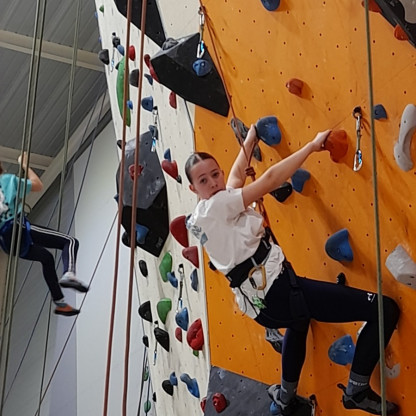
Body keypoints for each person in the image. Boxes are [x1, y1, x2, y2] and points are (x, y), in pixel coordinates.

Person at [185, 125, 400, 415]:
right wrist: (311, 146)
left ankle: (286, 397)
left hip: (262, 303)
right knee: (384, 310)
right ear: (193, 188)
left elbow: (235, 178)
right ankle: (357, 390)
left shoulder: (201, 215)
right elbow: (270, 179)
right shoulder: (218, 206)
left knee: (299, 323)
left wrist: (250, 139)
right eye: (203, 180)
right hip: (280, 292)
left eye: (215, 174)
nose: (213, 182)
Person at [0, 153, 88, 317]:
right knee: (69, 241)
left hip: (7, 242)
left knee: (46, 258)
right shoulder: (7, 181)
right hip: (17, 227)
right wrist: (24, 165)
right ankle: (69, 273)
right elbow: (37, 185)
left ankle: (60, 303)